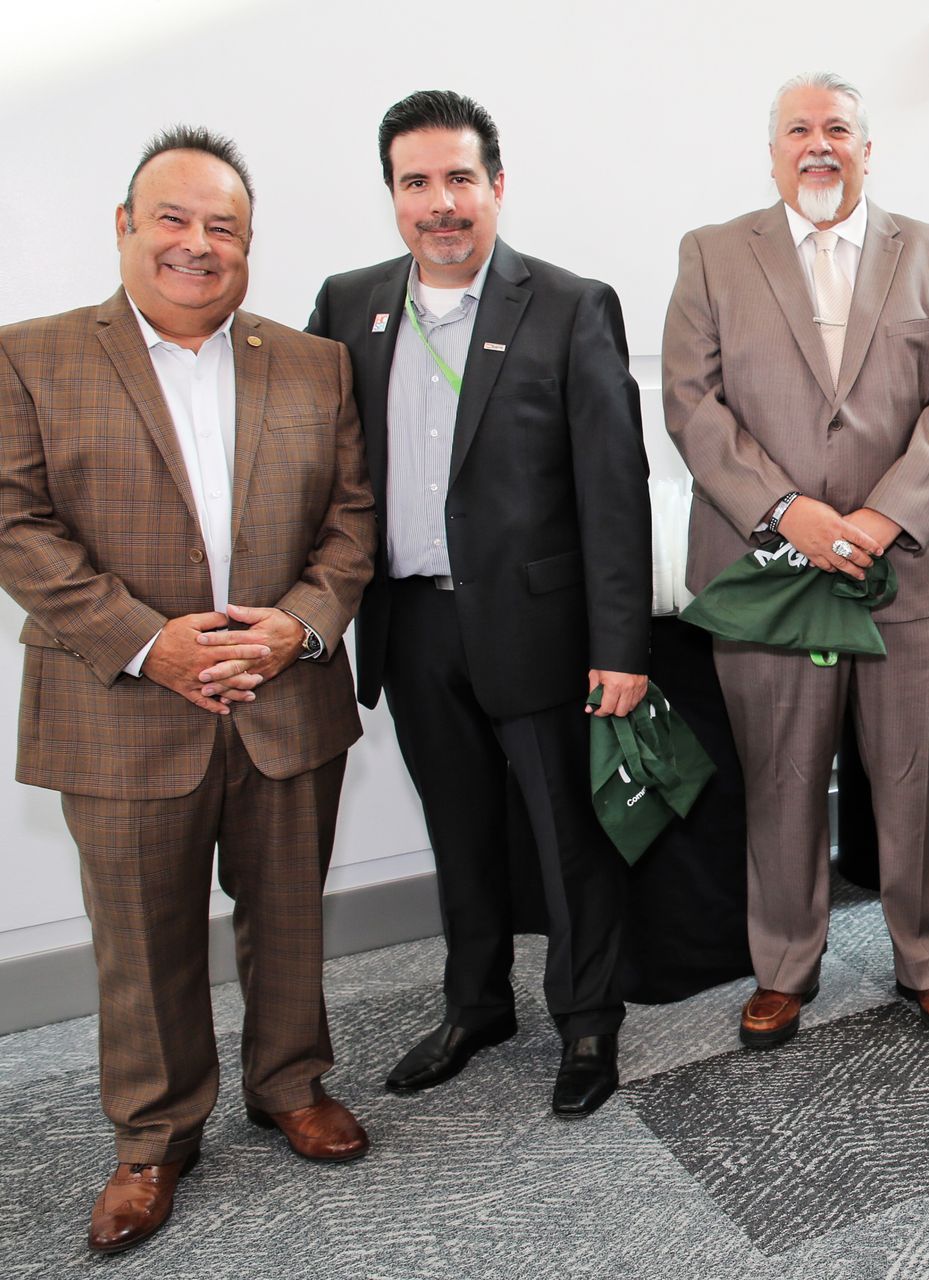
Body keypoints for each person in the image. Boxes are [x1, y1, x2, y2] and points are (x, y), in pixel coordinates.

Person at [0, 128, 376, 1254]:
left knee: (291, 914)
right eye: (173, 218)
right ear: (125, 227)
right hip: (118, 706)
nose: (197, 244)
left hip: (285, 695)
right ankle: (155, 1135)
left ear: (249, 247)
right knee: (140, 934)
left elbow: (351, 520)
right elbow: (15, 523)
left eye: (224, 228)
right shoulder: (33, 355)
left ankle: (290, 1080)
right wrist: (146, 641)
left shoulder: (313, 363)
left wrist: (298, 626)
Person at [308, 90, 651, 1116]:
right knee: (455, 829)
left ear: (496, 185)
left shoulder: (568, 302)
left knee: (564, 833)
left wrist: (621, 642)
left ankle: (587, 1019)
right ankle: (475, 1002)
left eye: (460, 179)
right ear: (393, 197)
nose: (440, 203)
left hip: (538, 624)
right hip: (410, 625)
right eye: (417, 183)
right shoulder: (348, 303)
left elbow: (613, 485)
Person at [662, 72, 929, 1044]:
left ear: (867, 146)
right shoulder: (714, 255)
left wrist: (885, 517)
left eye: (837, 128)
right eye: (799, 129)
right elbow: (691, 401)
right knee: (781, 778)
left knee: (913, 778)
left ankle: (928, 957)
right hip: (769, 575)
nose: (819, 144)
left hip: (910, 576)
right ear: (773, 150)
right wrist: (785, 510)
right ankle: (783, 965)